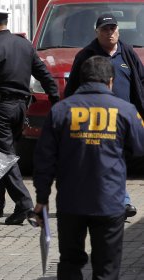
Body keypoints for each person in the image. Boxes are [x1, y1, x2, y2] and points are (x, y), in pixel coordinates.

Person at [33, 55, 144, 279]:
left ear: (82, 80)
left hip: (70, 202)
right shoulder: (126, 110)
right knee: (107, 267)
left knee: (70, 263)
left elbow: (44, 160)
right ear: (111, 81)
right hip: (109, 201)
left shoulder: (60, 111)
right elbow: (140, 147)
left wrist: (42, 199)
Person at [0, 7, 59, 225]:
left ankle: (24, 204)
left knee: (4, 159)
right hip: (20, 110)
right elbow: (44, 75)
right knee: (4, 154)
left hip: (0, 111)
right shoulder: (25, 45)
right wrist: (56, 102)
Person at [64, 13, 144, 218]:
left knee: (118, 159)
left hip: (124, 118)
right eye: (105, 29)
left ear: (118, 30)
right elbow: (72, 87)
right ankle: (118, 200)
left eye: (113, 29)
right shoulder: (86, 55)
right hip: (95, 118)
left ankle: (117, 200)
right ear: (97, 32)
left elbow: (140, 81)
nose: (110, 33)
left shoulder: (127, 52)